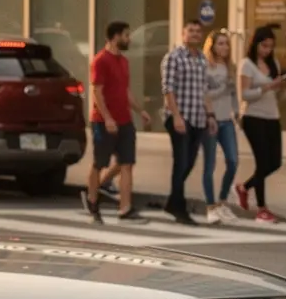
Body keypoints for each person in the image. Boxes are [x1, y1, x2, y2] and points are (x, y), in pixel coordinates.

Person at [82, 21, 152, 224]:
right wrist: (107, 118)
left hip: (125, 121)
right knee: (99, 164)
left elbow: (125, 91)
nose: (129, 39)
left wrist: (140, 111)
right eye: (126, 35)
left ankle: (125, 208)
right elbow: (97, 91)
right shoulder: (100, 61)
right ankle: (92, 200)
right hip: (104, 122)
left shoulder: (124, 61)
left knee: (127, 163)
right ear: (115, 37)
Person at [161, 19, 218, 225]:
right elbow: (168, 89)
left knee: (190, 162)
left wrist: (210, 116)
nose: (194, 34)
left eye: (198, 31)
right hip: (179, 117)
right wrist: (176, 116)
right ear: (183, 34)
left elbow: (205, 91)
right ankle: (179, 208)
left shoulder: (202, 59)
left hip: (198, 119)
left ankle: (172, 201)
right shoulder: (173, 58)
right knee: (181, 162)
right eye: (190, 31)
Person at [235, 25, 286, 224]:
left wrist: (282, 88)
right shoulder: (246, 64)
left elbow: (278, 95)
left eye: (270, 47)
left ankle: (244, 187)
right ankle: (262, 209)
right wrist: (268, 87)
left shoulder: (273, 63)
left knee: (275, 162)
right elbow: (245, 95)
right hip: (253, 117)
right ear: (256, 43)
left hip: (272, 116)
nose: (267, 50)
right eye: (264, 46)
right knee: (262, 161)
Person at [201, 30, 240, 225]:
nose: (224, 47)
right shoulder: (206, 68)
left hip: (227, 121)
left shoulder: (229, 67)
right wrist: (221, 89)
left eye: (227, 44)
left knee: (233, 161)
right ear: (212, 46)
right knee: (209, 165)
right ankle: (210, 206)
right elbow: (204, 95)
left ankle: (223, 201)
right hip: (211, 120)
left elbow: (233, 94)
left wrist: (237, 111)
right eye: (221, 44)